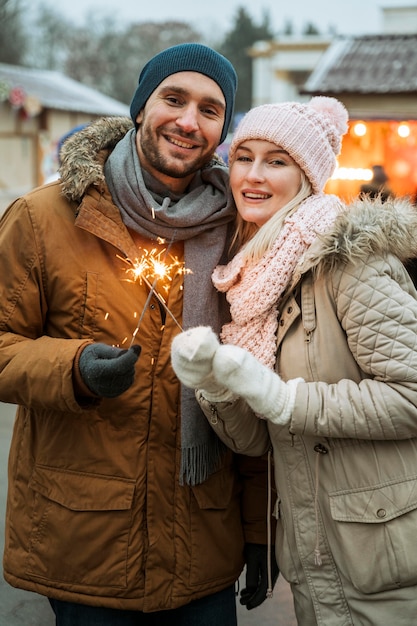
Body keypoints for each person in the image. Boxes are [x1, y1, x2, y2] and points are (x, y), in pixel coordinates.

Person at [0, 43, 276, 626]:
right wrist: (72, 368)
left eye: (210, 109)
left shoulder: (242, 233)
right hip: (84, 541)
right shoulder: (44, 217)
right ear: (139, 107)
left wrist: (258, 529)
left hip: (202, 542)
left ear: (223, 128)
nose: (187, 121)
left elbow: (254, 390)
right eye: (172, 99)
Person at [171, 97, 417, 625]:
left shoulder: (349, 262)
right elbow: (261, 438)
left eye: (277, 161)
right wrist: (214, 386)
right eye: (244, 157)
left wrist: (286, 398)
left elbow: (410, 395)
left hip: (390, 560)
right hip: (317, 558)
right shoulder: (247, 278)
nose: (253, 176)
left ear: (307, 178)